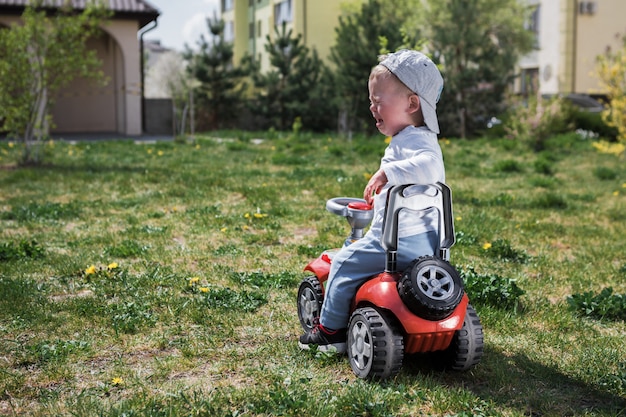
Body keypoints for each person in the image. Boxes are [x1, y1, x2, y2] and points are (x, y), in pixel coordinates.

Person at [298, 49, 446, 353]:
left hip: (395, 243)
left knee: (343, 263)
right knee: (353, 256)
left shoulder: (418, 141)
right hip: (425, 242)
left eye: (378, 101)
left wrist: (387, 172)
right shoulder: (410, 137)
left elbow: (430, 166)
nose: (371, 107)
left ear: (412, 103)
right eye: (370, 100)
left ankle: (330, 332)